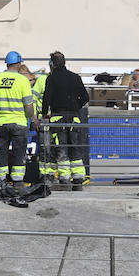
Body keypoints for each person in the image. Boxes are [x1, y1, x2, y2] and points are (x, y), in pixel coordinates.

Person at [0, 51, 38, 186]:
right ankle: (18, 183)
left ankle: (0, 182)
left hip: (1, 123)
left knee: (1, 154)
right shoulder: (23, 80)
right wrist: (33, 119)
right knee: (19, 154)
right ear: (18, 63)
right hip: (19, 124)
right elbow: (29, 105)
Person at [40, 52, 90, 190]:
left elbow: (46, 98)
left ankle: (64, 179)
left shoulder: (51, 78)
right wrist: (75, 106)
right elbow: (85, 97)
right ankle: (78, 180)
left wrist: (44, 114)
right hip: (74, 118)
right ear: (65, 62)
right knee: (74, 148)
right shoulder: (75, 77)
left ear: (52, 63)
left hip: (58, 118)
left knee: (61, 148)